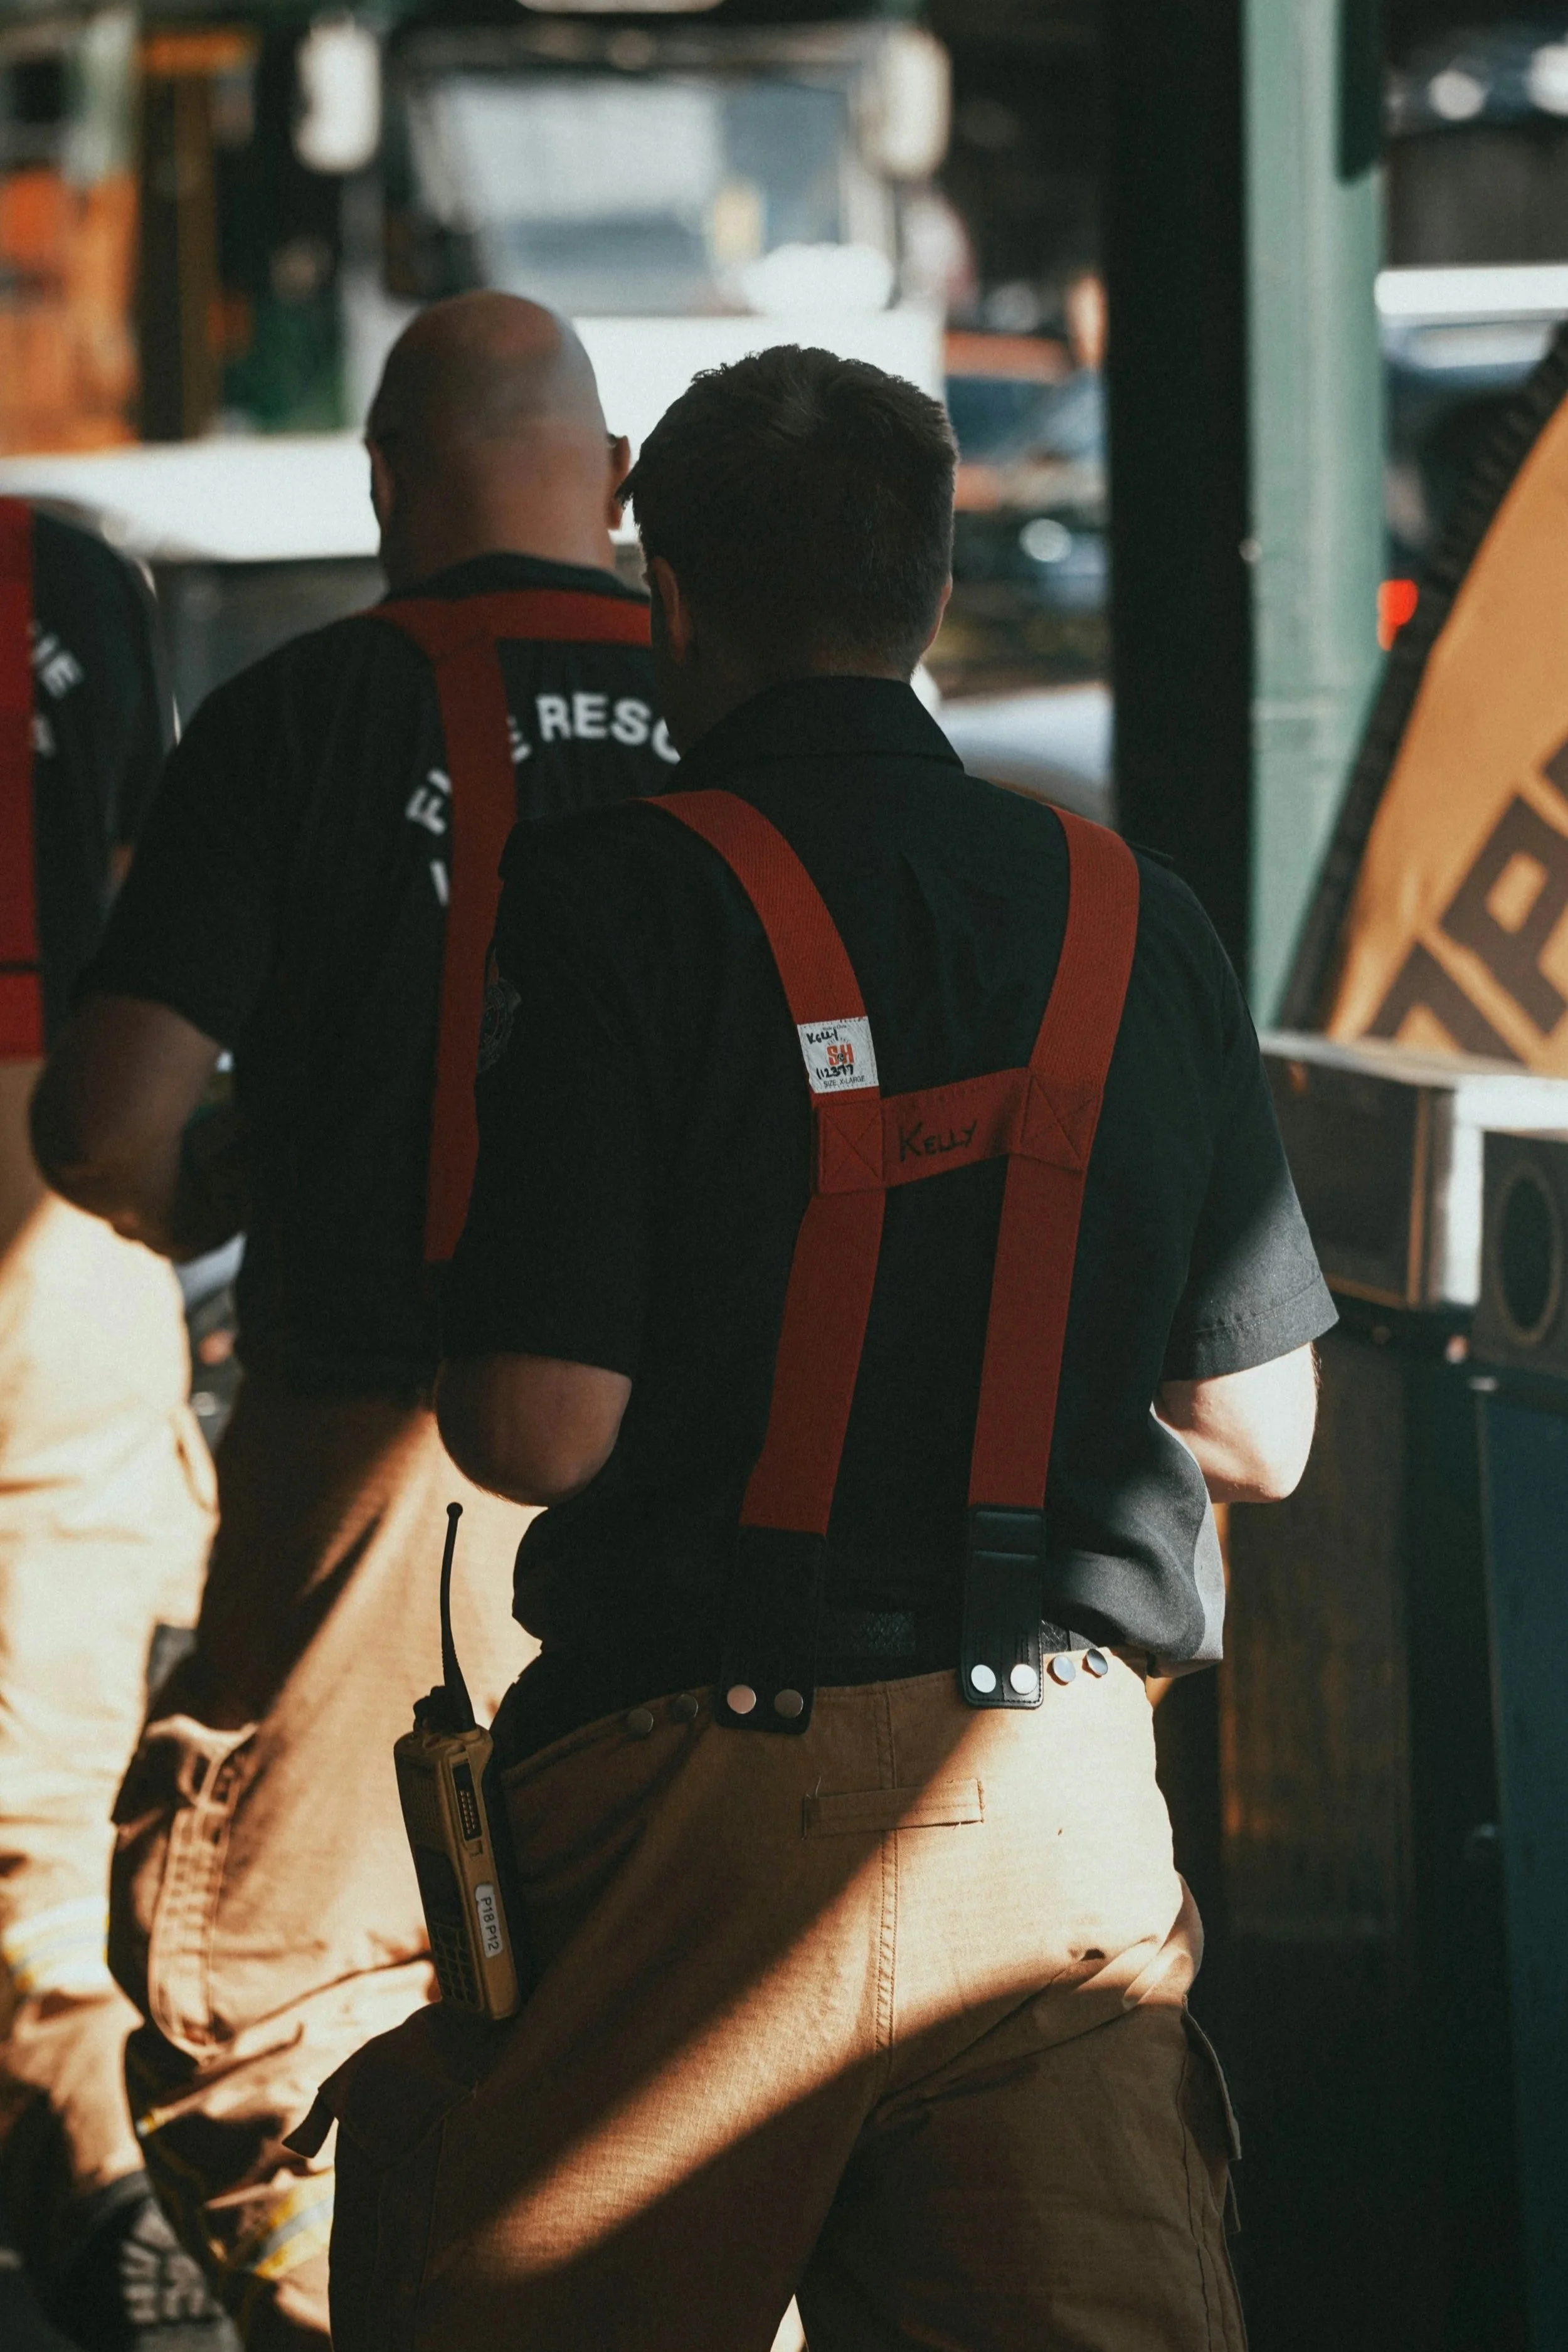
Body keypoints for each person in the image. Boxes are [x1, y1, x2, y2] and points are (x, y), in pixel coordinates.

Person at [315, 342, 1336, 2350]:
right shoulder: (1135, 912)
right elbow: (1260, 1428)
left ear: (666, 594)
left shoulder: (618, 901)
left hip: (700, 1820)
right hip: (1054, 1805)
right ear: (932, 591)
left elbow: (535, 1424)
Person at [30, 294, 676, 2350]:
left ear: (384, 480)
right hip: (716, 1474)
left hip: (368, 1444)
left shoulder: (302, 713)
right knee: (671, 2038)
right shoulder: (739, 697)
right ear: (620, 478)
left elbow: (110, 1127)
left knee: (279, 2030)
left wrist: (229, 1184)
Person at [0, 502, 226, 2348]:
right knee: (50, 1766)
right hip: (50, 1205)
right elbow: (162, 919)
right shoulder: (61, 581)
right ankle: (91, 2179)